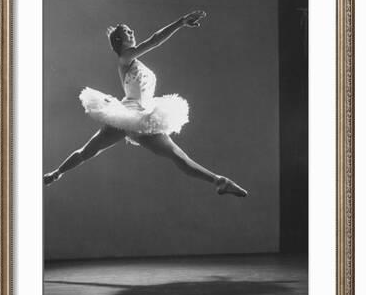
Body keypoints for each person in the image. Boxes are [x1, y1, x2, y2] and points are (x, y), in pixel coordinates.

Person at [44, 10, 247, 197]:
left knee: (178, 155)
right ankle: (56, 173)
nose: (132, 32)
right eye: (126, 32)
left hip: (145, 116)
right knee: (89, 151)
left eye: (130, 30)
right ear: (119, 40)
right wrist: (180, 22)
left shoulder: (135, 61)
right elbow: (154, 41)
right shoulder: (125, 58)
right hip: (126, 114)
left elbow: (152, 44)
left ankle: (219, 180)